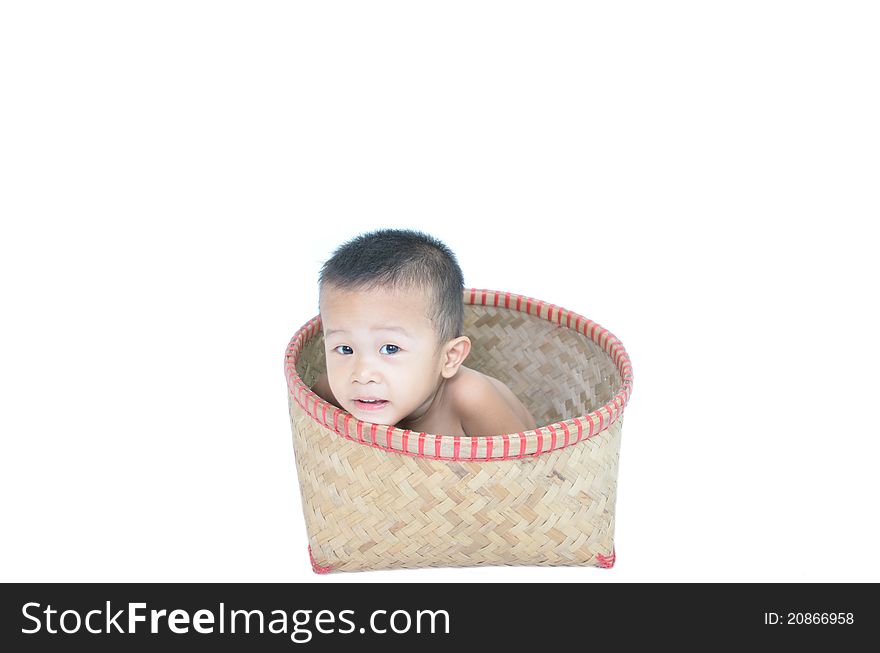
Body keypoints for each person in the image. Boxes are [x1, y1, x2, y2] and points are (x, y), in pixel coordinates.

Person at [311, 228, 537, 437]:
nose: (362, 374)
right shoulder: (333, 390)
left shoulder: (471, 398)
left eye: (390, 348)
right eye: (345, 349)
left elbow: (526, 471)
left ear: (449, 358)